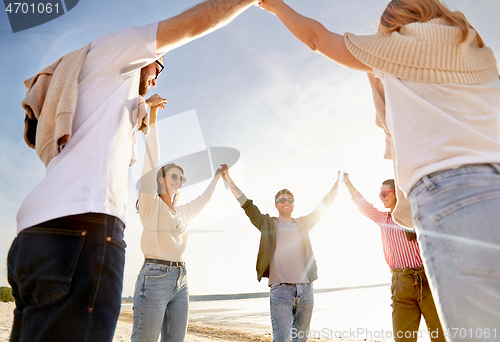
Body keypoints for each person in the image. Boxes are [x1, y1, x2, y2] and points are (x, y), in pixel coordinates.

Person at [8, 0, 258, 341]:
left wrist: (146, 111)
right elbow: (200, 18)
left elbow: (134, 124)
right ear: (147, 58)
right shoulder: (115, 52)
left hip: (34, 235)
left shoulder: (103, 93)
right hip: (82, 229)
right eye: (159, 67)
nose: (156, 80)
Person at [257, 0, 500, 339]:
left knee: (474, 332)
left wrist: (276, 6)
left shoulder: (397, 47)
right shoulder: (476, 50)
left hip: (447, 193)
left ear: (394, 22)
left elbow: (316, 37)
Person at [132, 98, 226, 342]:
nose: (178, 180)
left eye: (181, 178)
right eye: (174, 175)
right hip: (154, 276)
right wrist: (152, 115)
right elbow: (151, 159)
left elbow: (203, 200)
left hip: (181, 280)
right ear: (162, 179)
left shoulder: (181, 212)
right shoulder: (151, 205)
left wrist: (217, 178)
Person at [222, 168, 340, 342]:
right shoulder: (267, 223)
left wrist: (338, 183)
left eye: (290, 200)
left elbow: (323, 206)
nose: (286, 202)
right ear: (276, 204)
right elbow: (246, 204)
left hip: (306, 289)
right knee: (281, 339)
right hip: (281, 290)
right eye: (282, 200)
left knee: (300, 339)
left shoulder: (302, 224)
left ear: (293, 203)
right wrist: (227, 177)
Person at [343, 174, 445, 342]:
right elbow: (363, 205)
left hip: (426, 282)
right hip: (401, 286)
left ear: (396, 193)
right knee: (402, 338)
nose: (381, 198)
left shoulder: (417, 216)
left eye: (384, 193)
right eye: (379, 194)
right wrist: (347, 183)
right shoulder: (383, 219)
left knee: (440, 337)